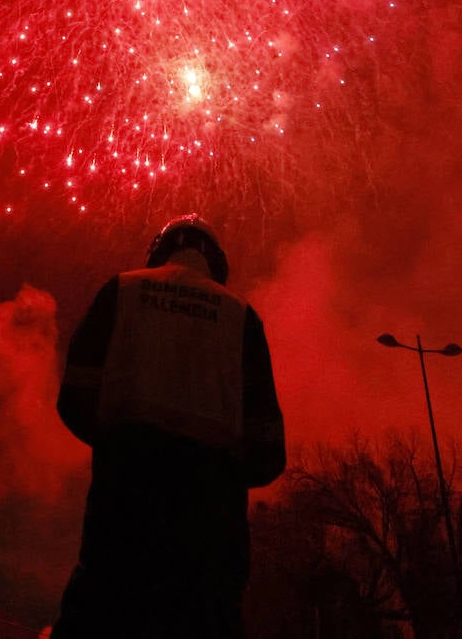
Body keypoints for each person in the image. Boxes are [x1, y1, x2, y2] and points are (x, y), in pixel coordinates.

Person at [51, 214, 285, 639]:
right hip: (210, 545)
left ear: (159, 252)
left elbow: (73, 399)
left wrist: (121, 442)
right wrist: (221, 472)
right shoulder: (242, 318)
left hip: (120, 525)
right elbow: (269, 450)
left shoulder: (121, 291)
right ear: (216, 261)